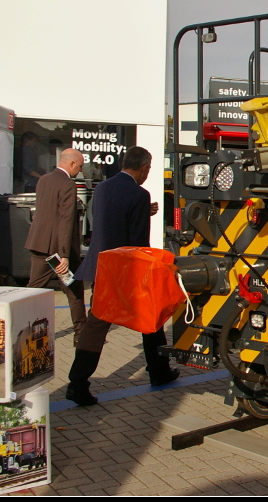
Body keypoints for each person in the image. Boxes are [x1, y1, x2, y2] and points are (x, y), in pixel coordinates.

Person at [66, 146, 177, 406]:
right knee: (149, 315)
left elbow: (106, 219)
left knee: (99, 323)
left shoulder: (103, 188)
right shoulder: (139, 194)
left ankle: (79, 381)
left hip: (100, 265)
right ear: (144, 167)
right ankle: (80, 382)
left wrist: (140, 210)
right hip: (122, 269)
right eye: (148, 170)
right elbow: (137, 240)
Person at [24, 148, 88, 345]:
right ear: (71, 164)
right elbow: (66, 220)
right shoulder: (68, 184)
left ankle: (22, 329)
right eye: (79, 166)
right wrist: (64, 255)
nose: (80, 170)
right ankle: (81, 335)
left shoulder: (43, 180)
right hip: (58, 249)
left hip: (39, 243)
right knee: (74, 290)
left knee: (33, 290)